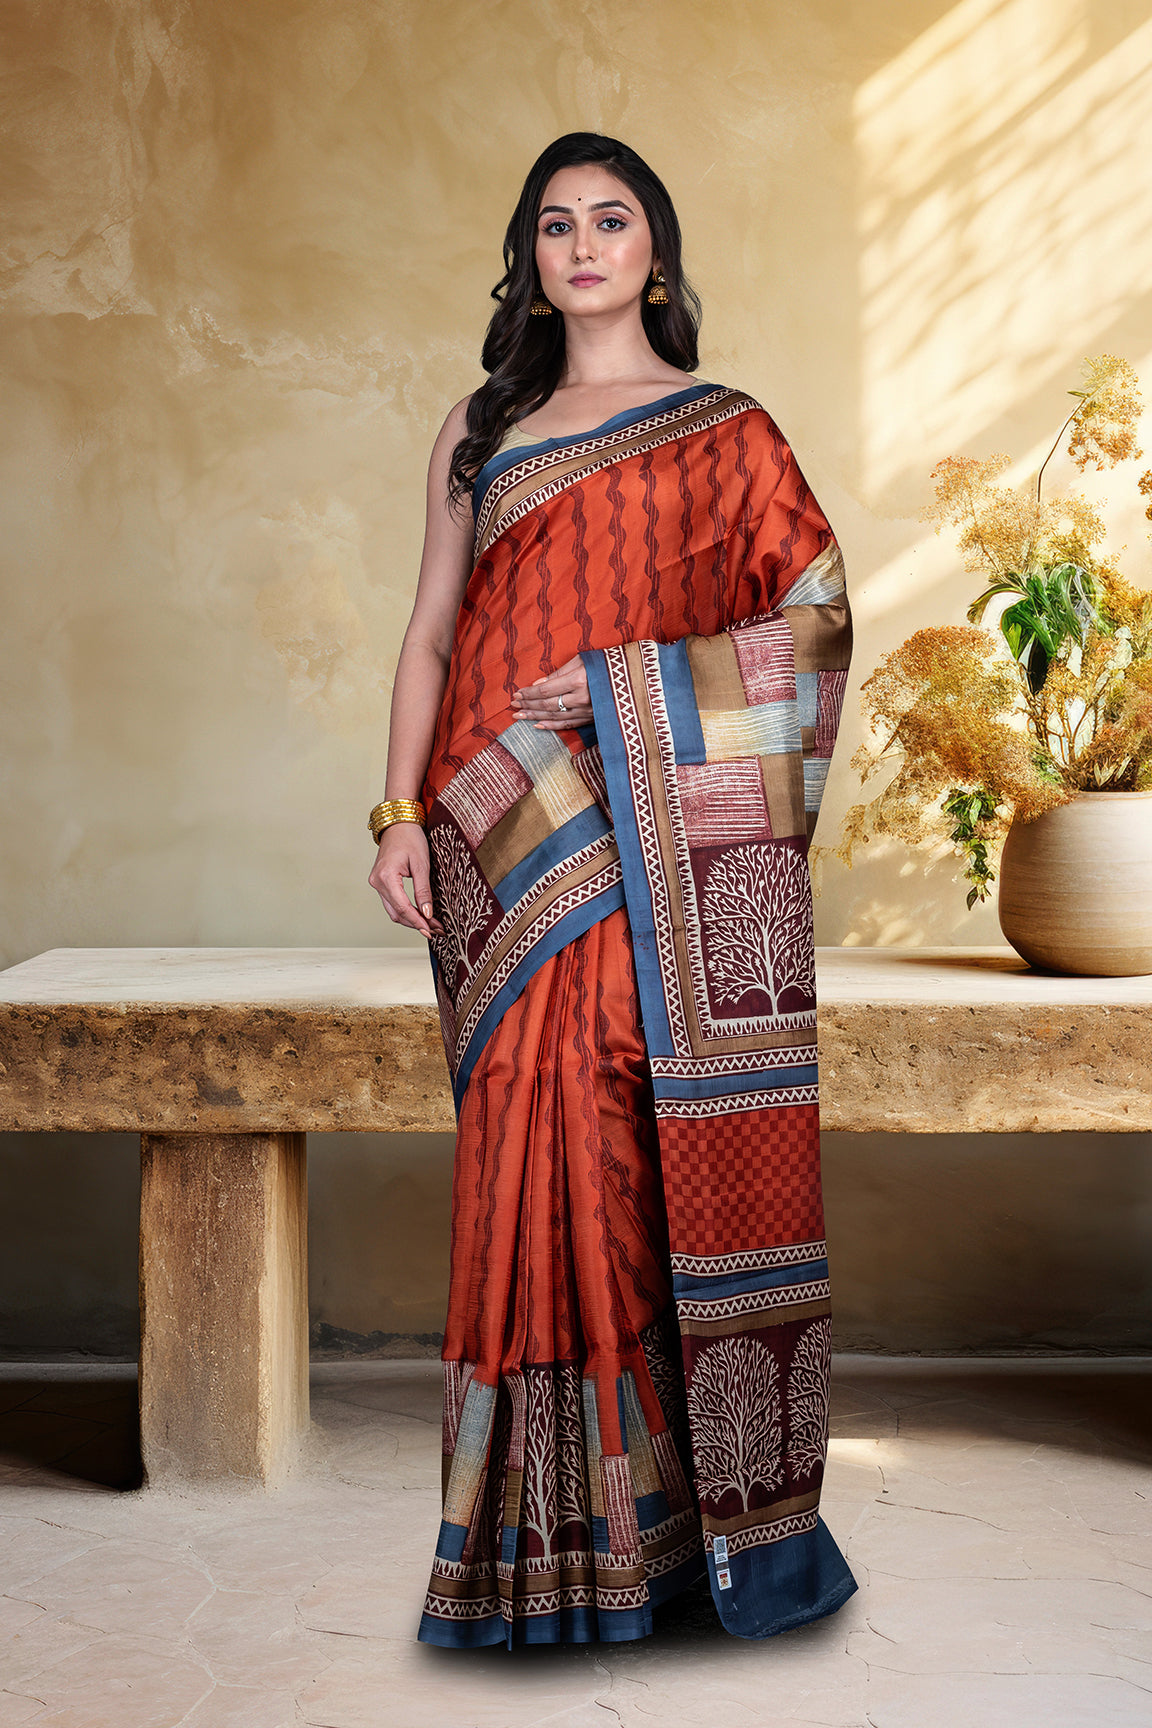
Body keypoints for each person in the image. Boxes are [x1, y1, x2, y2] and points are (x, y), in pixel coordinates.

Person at [368, 132, 856, 1648]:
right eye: (556, 225)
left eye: (612, 220)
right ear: (530, 259)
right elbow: (432, 633)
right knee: (518, 1152)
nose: (583, 246)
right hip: (494, 834)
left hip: (636, 839)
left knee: (621, 1147)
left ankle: (659, 1541)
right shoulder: (480, 431)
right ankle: (522, 1548)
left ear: (656, 252)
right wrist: (397, 814)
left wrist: (621, 686)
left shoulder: (726, 431)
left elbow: (815, 627)